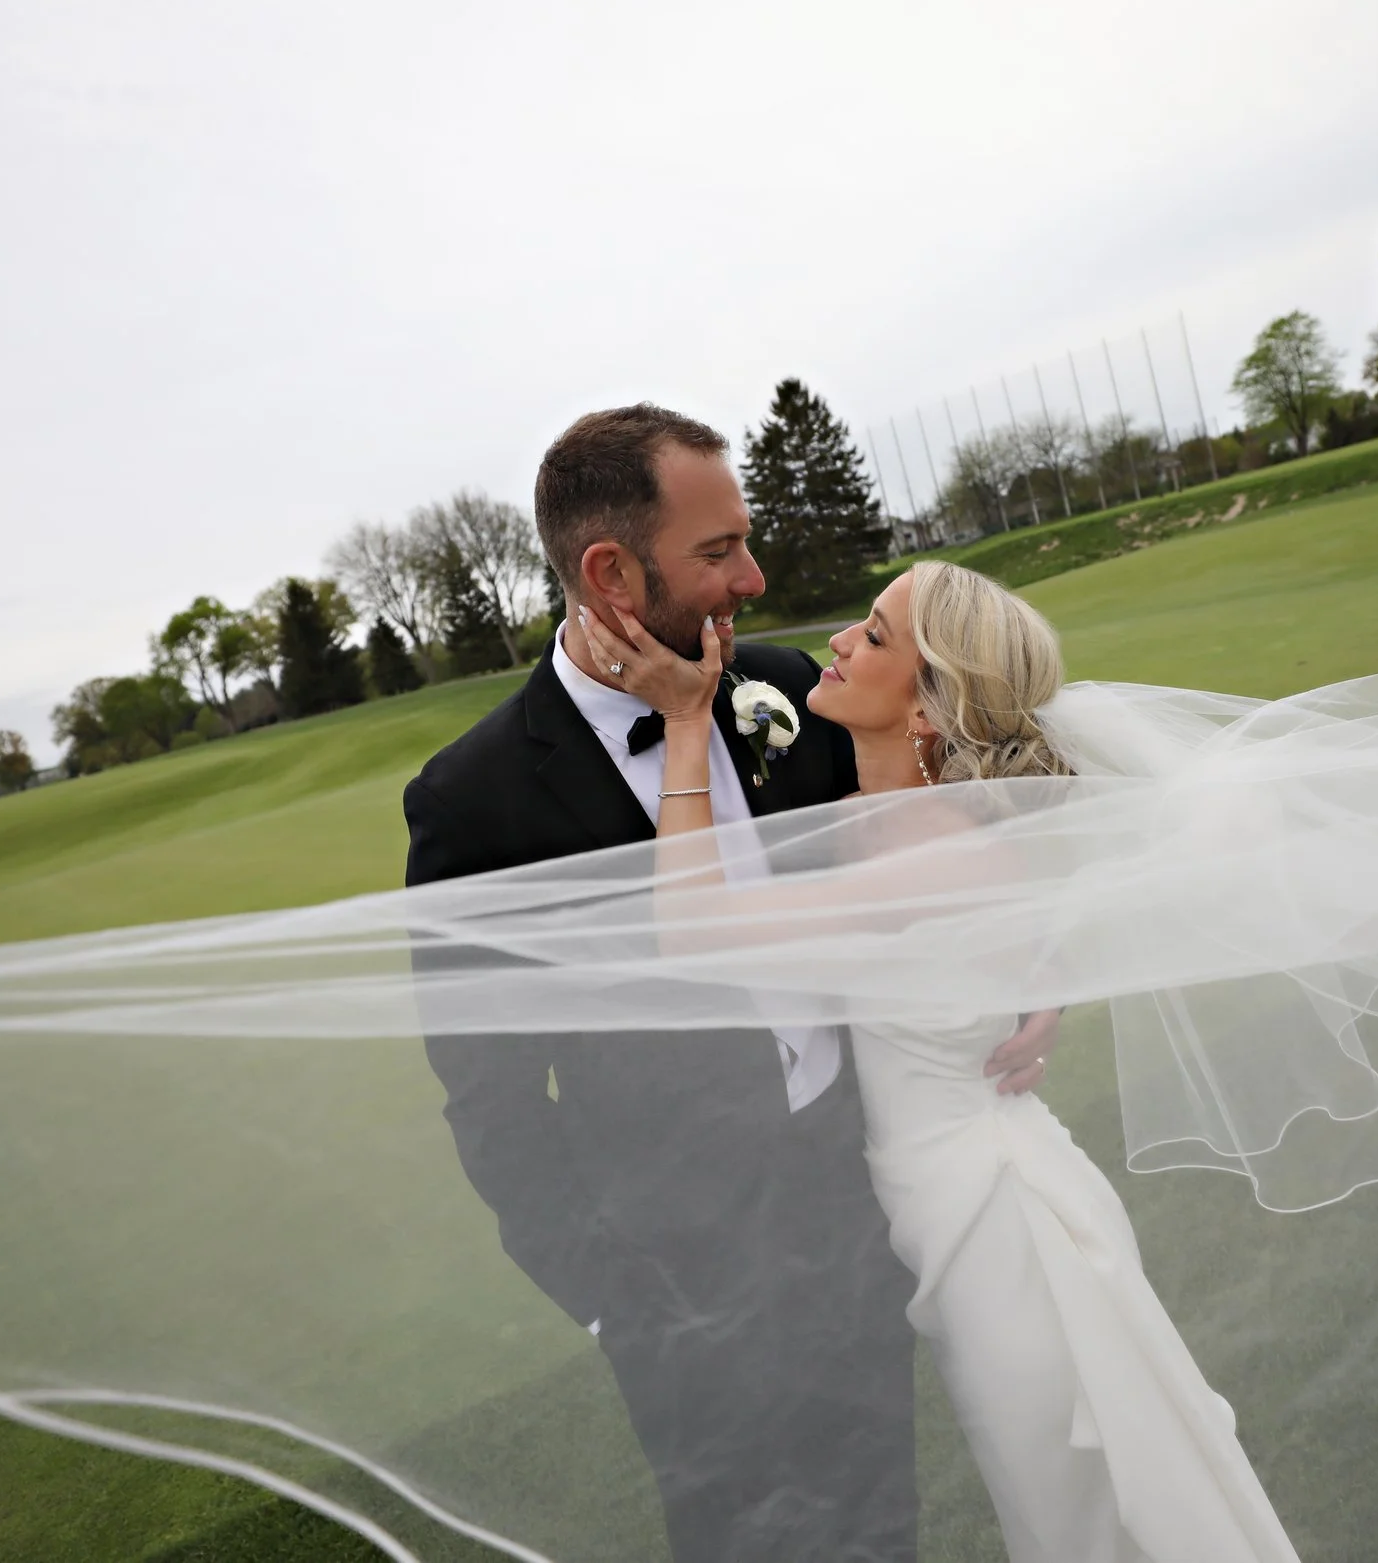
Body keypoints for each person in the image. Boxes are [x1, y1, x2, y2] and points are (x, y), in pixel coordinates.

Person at [401, 404, 1059, 1563]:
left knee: (881, 1518)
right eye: (718, 552)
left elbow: (967, 818)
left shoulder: (786, 688)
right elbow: (488, 1091)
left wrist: (1039, 962)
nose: (752, 577)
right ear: (610, 570)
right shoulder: (477, 799)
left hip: (859, 1199)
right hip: (677, 1279)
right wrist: (609, 1298)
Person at [576, 558, 1304, 1563]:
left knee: (1076, 1513)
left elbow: (696, 929)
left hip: (1000, 1236)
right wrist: (1040, 961)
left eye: (874, 635)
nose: (836, 640)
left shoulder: (932, 847)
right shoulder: (898, 820)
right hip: (955, 1204)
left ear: (928, 708)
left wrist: (689, 726)